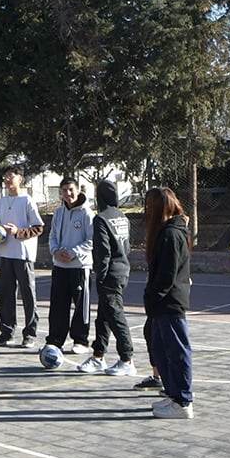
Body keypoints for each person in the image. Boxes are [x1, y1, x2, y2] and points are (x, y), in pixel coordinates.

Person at [142, 186, 194, 419]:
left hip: (169, 303)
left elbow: (167, 275)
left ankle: (183, 401)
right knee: (162, 350)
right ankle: (174, 395)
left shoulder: (171, 234)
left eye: (149, 206)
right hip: (161, 305)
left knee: (176, 351)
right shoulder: (167, 231)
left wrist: (153, 297)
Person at [79, 179, 137, 377]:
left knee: (115, 315)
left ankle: (127, 358)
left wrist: (100, 274)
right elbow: (127, 247)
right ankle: (98, 356)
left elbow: (103, 251)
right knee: (103, 317)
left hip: (110, 273)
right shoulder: (122, 217)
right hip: (122, 270)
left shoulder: (101, 219)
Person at [0, 165, 44, 348]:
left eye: (10, 176)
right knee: (5, 294)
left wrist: (18, 232)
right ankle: (6, 332)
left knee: (28, 294)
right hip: (5, 254)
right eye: (4, 176)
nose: (6, 179)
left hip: (23, 255)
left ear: (20, 178)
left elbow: (38, 227)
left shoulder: (27, 200)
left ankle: (30, 333)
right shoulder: (1, 202)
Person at [46, 177, 94, 354]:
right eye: (64, 190)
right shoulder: (59, 213)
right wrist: (55, 251)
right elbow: (52, 237)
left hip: (80, 267)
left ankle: (80, 340)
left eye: (71, 190)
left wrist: (72, 253)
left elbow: (91, 240)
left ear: (78, 190)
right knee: (58, 305)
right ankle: (55, 340)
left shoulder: (87, 213)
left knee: (81, 305)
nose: (68, 194)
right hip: (60, 267)